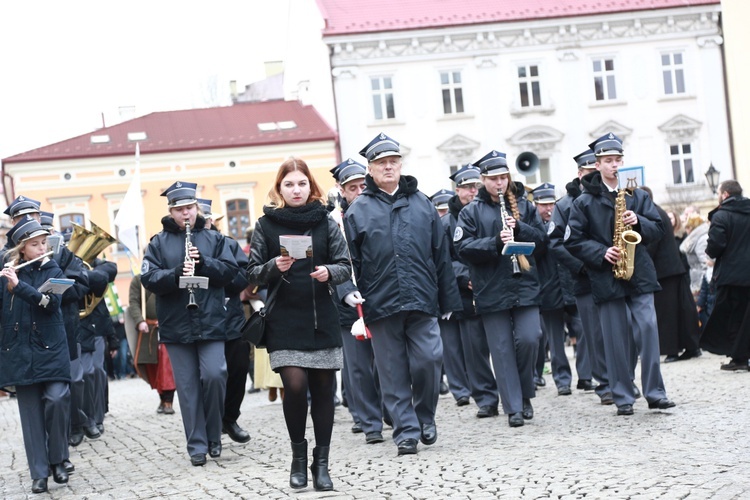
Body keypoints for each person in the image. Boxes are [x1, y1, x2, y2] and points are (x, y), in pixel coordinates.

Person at [344, 133, 462, 455]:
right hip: (381, 303)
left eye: (393, 161)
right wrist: (351, 295)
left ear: (400, 165)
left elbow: (441, 255)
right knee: (393, 371)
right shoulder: (357, 211)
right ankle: (406, 431)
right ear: (370, 169)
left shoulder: (422, 203)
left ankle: (425, 416)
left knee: (429, 359)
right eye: (381, 163)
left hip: (423, 298)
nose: (388, 167)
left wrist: (448, 301)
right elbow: (349, 262)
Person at [247, 158, 351, 491]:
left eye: (301, 183)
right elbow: (250, 273)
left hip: (322, 316)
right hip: (284, 319)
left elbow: (345, 265)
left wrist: (328, 272)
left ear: (311, 186)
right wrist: (274, 266)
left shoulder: (326, 222)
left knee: (323, 389)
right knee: (293, 384)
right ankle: (297, 459)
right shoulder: (265, 225)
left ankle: (321, 465)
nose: (296, 189)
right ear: (280, 188)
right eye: (289, 184)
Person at [565, 133, 674, 416]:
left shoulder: (635, 194)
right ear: (598, 164)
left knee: (648, 330)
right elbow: (572, 240)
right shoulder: (584, 201)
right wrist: (601, 252)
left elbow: (659, 228)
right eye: (608, 161)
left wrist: (638, 221)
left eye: (617, 160)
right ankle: (623, 397)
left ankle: (655, 392)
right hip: (606, 274)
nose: (614, 165)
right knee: (615, 338)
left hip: (639, 271)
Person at [141, 181, 238, 466]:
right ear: (171, 211)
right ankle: (197, 445)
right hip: (176, 324)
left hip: (210, 321)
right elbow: (149, 278)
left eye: (190, 208)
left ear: (197, 208)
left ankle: (214, 435)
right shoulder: (158, 243)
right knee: (187, 387)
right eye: (180, 209)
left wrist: (204, 262)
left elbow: (231, 272)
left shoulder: (213, 239)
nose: (186, 214)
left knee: (215, 375)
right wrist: (174, 273)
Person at [455, 150, 547, 427]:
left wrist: (519, 228)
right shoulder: (471, 211)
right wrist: (495, 242)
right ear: (483, 180)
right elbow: (462, 248)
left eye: (503, 177)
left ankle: (525, 393)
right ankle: (514, 407)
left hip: (525, 285)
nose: (499, 183)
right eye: (493, 178)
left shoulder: (525, 205)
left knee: (531, 338)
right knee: (502, 349)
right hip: (491, 288)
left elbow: (542, 243)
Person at [0, 216, 71, 494]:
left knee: (57, 399)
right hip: (18, 350)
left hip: (50, 348)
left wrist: (20, 287)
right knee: (30, 415)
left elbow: (50, 304)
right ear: (22, 248)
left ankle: (58, 459)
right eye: (36, 245)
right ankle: (39, 473)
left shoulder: (53, 269)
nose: (43, 248)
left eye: (43, 243)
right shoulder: (7, 271)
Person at [548, 150, 612, 404]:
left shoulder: (613, 197)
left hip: (612, 275)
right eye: (588, 172)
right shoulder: (564, 205)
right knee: (594, 333)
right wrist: (583, 265)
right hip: (584, 277)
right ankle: (604, 383)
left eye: (596, 171)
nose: (593, 176)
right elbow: (555, 243)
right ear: (580, 173)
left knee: (620, 330)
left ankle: (623, 378)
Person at [329, 158, 386, 444]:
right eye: (353, 188)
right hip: (346, 304)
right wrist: (345, 290)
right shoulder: (333, 222)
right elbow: (332, 264)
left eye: (363, 185)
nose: (360, 192)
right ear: (342, 190)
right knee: (359, 366)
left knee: (385, 361)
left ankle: (388, 409)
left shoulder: (379, 211)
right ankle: (369, 421)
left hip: (380, 297)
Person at [440, 164, 499, 417]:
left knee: (503, 345)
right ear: (457, 190)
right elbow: (443, 260)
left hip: (496, 285)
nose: (472, 191)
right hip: (466, 293)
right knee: (474, 350)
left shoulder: (491, 210)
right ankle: (485, 397)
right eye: (466, 187)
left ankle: (512, 392)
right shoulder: (444, 223)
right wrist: (466, 277)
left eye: (475, 186)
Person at [198, 198, 252, 444]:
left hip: (230, 316)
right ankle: (208, 423)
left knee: (238, 369)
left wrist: (216, 274)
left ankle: (230, 417)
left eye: (206, 218)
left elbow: (242, 277)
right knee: (207, 376)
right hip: (200, 320)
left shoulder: (228, 244)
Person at [532, 183, 594, 395]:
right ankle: (562, 380)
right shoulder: (532, 226)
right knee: (555, 339)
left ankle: (586, 376)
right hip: (549, 289)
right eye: (543, 205)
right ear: (536, 205)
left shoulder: (564, 217)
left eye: (551, 204)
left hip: (571, 284)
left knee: (583, 330)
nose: (548, 209)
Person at [639, 186, 701, 363]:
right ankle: (691, 347)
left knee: (668, 313)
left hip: (664, 272)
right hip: (671, 269)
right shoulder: (656, 211)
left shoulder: (652, 214)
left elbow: (652, 244)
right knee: (682, 311)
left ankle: (672, 350)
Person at [700, 180, 750, 371]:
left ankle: (739, 359)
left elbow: (715, 246)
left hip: (731, 276)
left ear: (726, 194)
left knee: (733, 318)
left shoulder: (721, 216)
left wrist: (711, 250)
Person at [127, 274, 177, 414]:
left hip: (168, 327)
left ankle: (168, 401)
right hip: (148, 330)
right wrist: (140, 321)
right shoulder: (138, 280)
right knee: (152, 367)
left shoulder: (169, 275)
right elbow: (134, 302)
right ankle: (162, 398)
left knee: (167, 366)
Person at [679, 214, 710, 298]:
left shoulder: (702, 239)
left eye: (687, 227)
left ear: (692, 227)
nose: (686, 230)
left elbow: (706, 264)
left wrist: (702, 287)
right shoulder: (696, 238)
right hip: (696, 280)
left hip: (702, 283)